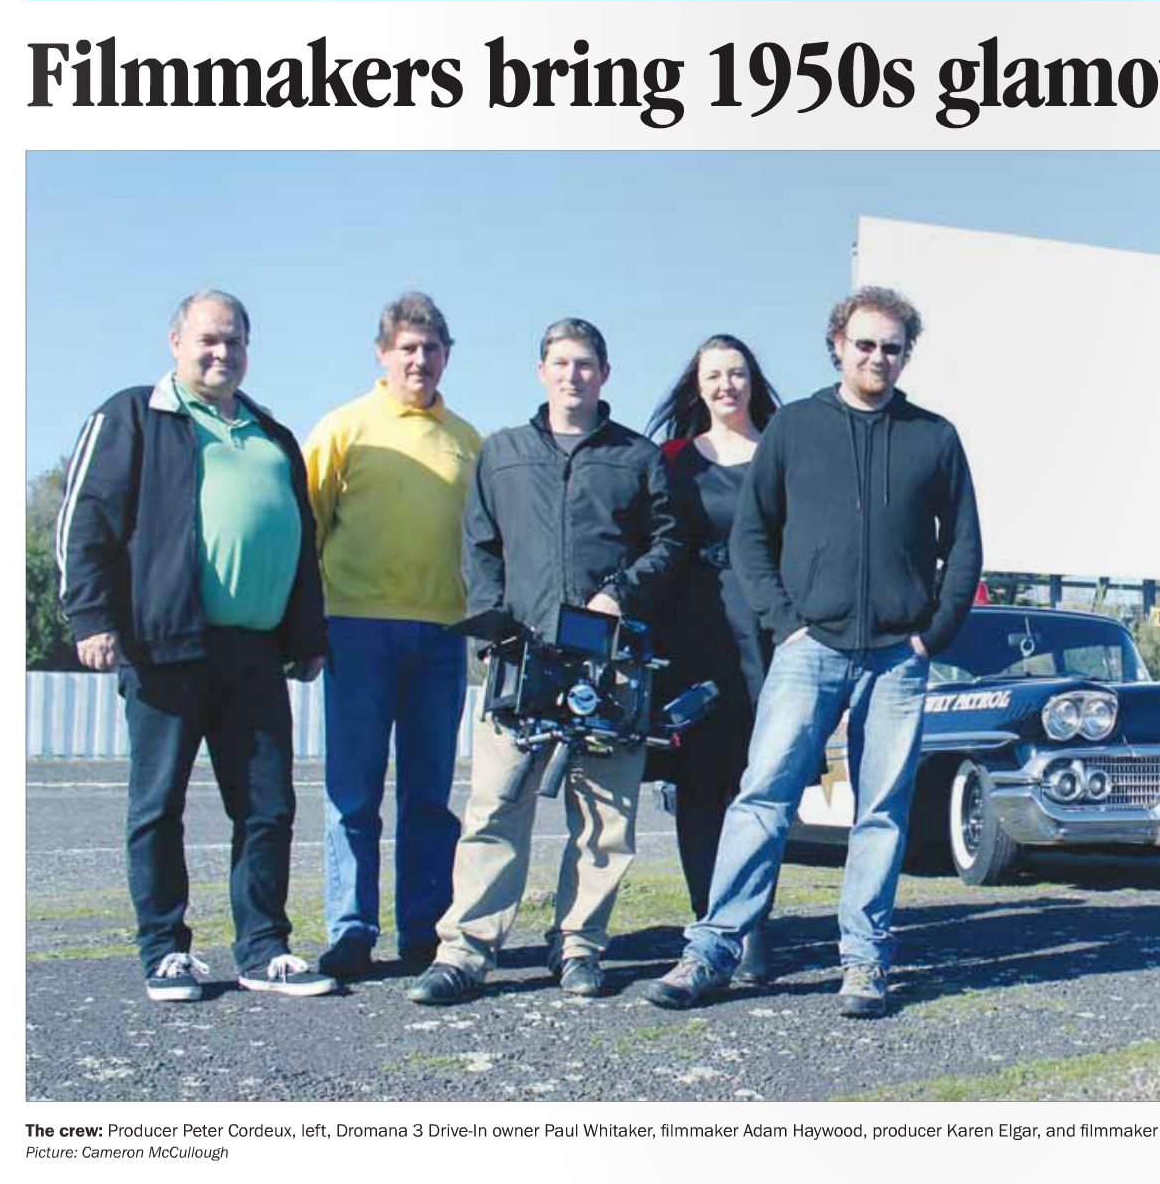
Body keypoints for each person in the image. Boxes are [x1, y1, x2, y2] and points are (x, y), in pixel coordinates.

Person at [642, 286, 982, 1019]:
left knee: (882, 812)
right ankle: (712, 951)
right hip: (809, 648)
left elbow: (962, 545)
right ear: (837, 344)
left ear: (905, 354)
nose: (877, 358)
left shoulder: (935, 437)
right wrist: (785, 621)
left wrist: (934, 630)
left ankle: (864, 961)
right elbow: (752, 536)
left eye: (891, 347)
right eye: (865, 344)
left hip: (897, 656)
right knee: (761, 798)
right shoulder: (795, 430)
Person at [57, 290, 337, 1000]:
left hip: (255, 653)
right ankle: (165, 952)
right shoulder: (133, 416)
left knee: (269, 806)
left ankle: (264, 947)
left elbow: (301, 542)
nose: (222, 354)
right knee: (159, 805)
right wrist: (91, 617)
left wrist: (306, 633)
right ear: (175, 341)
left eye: (235, 342)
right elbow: (84, 520)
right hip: (165, 644)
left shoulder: (272, 433)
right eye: (209, 340)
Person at [408, 317, 684, 1005]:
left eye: (586, 363)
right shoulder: (500, 454)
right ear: (541, 371)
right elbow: (480, 550)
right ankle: (466, 952)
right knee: (494, 810)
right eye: (560, 363)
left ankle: (581, 947)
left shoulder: (637, 458)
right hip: (520, 663)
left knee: (605, 819)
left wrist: (621, 591)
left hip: (608, 670)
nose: (573, 375)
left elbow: (671, 544)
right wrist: (491, 638)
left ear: (604, 374)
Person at [303, 292, 482, 981]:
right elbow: (308, 529)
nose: (419, 359)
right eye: (407, 347)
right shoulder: (344, 428)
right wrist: (308, 626)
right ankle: (351, 930)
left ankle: (423, 928)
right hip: (357, 627)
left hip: (442, 634)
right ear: (383, 355)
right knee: (354, 789)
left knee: (429, 794)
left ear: (446, 356)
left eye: (431, 348)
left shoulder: (469, 440)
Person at [644, 335, 781, 983]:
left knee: (759, 790)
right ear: (696, 386)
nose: (725, 385)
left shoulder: (781, 453)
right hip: (691, 642)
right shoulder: (671, 459)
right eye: (713, 375)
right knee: (699, 792)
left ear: (752, 381)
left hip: (766, 638)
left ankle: (753, 928)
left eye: (736, 373)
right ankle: (709, 924)